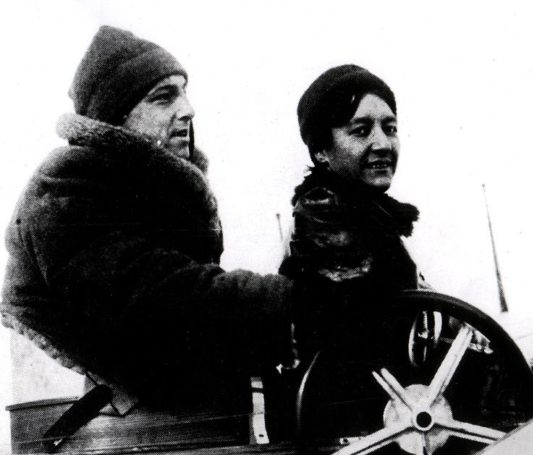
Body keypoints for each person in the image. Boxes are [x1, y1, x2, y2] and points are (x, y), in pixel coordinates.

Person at [1, 26, 297, 407]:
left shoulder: (154, 192)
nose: (187, 109)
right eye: (164, 97)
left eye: (184, 92)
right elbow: (150, 299)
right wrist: (284, 304)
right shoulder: (64, 185)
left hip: (140, 424)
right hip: (78, 435)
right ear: (116, 115)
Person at [279, 64, 423, 354]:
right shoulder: (325, 220)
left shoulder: (371, 215)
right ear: (321, 150)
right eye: (361, 131)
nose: (382, 143)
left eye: (390, 128)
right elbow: (365, 343)